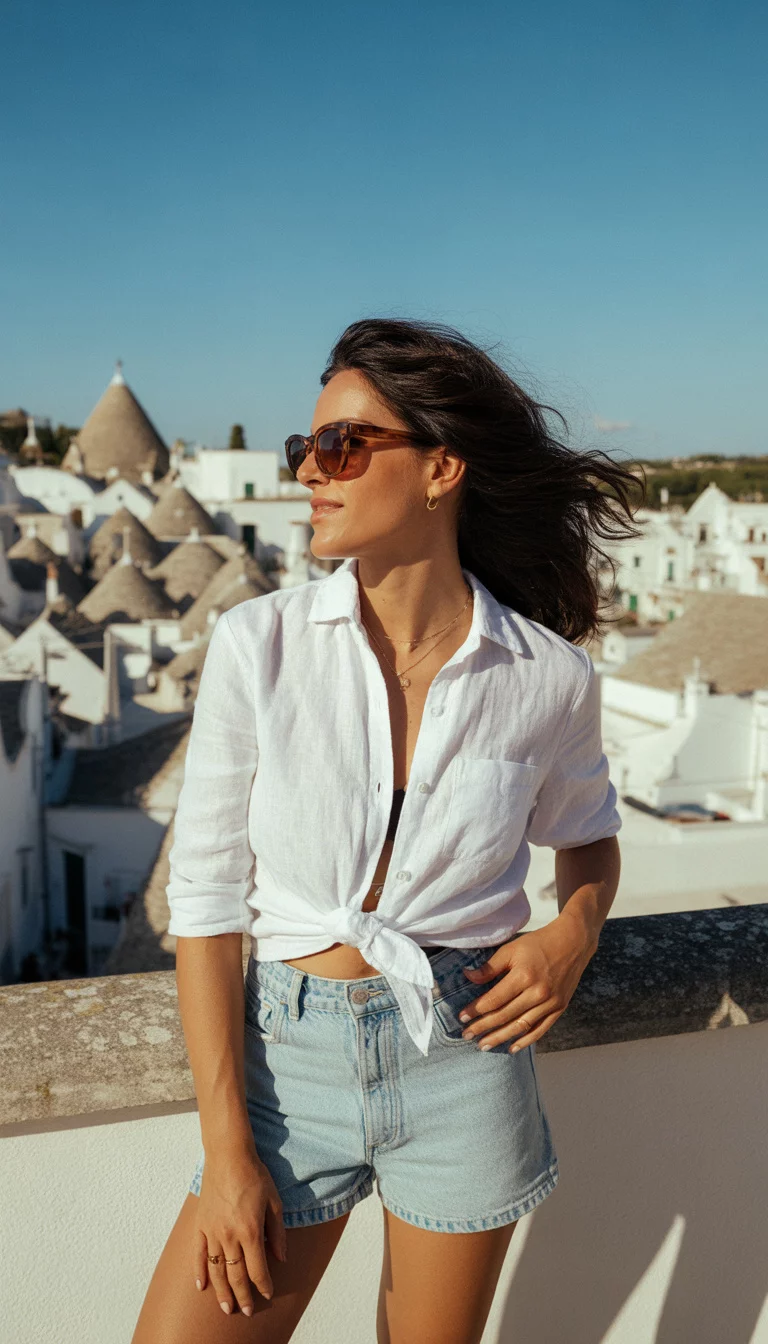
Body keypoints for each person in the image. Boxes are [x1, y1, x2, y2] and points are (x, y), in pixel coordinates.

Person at [131, 317, 640, 1344]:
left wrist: (571, 934)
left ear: (442, 466)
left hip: (464, 1058)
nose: (310, 474)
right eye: (306, 450)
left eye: (342, 446)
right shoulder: (257, 645)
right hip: (284, 1066)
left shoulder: (547, 677)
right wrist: (227, 1151)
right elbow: (206, 902)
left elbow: (588, 837)